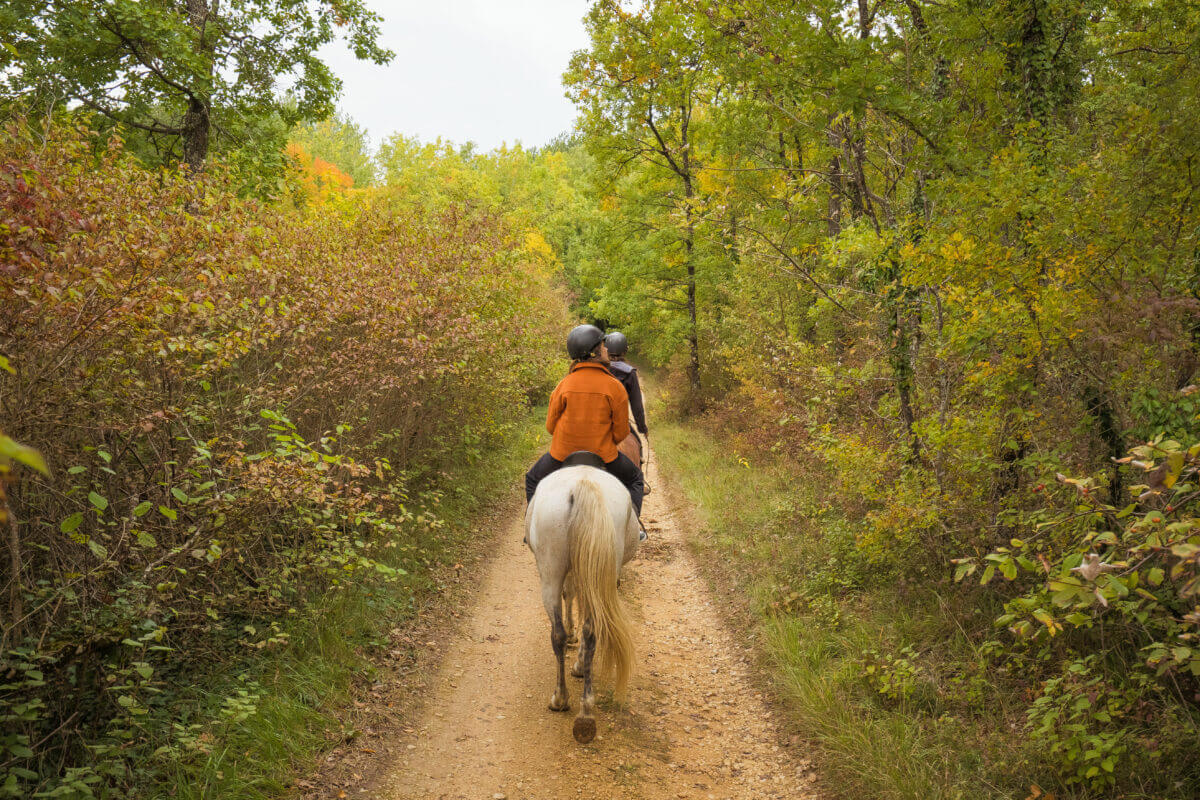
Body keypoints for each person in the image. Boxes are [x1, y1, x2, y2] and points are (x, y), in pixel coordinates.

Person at [525, 324, 645, 520]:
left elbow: (550, 427)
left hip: (561, 454)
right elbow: (622, 433)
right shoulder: (615, 387)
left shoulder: (563, 384)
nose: (607, 349)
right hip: (604, 455)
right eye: (604, 346)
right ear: (594, 353)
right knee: (635, 479)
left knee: (532, 479)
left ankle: (530, 525)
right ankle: (634, 526)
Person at [603, 331, 648, 443]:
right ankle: (641, 459)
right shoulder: (629, 373)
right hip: (619, 421)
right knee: (638, 444)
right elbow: (637, 406)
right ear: (625, 351)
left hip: (598, 421)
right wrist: (642, 428)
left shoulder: (600, 369)